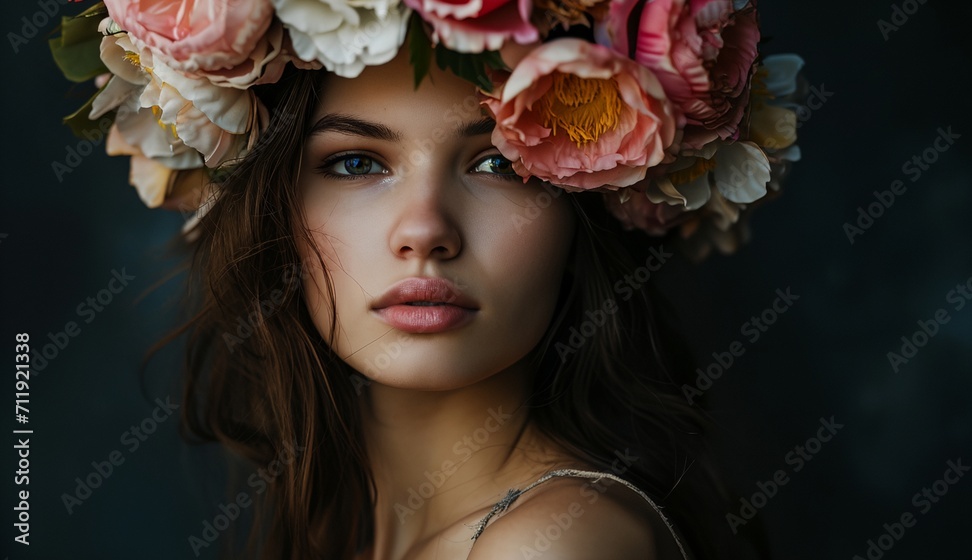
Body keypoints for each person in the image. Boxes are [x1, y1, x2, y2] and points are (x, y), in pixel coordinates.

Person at [50, 1, 803, 558]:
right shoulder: (340, 529)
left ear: (585, 204)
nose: (425, 231)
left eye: (498, 165)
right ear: (271, 210)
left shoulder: (553, 546)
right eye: (356, 164)